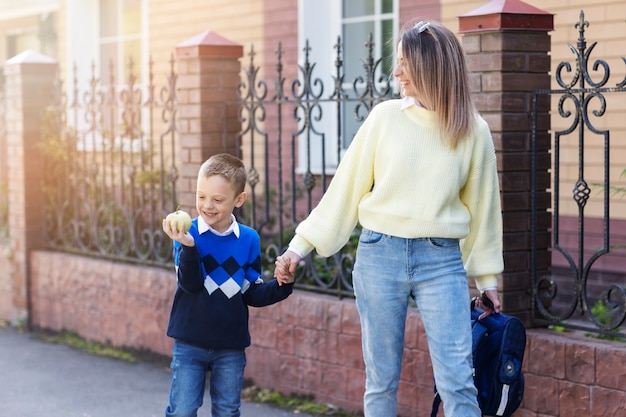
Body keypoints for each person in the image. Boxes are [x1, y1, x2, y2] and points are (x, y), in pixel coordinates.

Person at [274, 20, 503, 417]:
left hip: (441, 262)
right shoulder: (385, 118)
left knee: (458, 382)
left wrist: (486, 280)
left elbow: (484, 212)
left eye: (404, 64)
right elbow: (345, 188)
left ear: (432, 67)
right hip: (380, 255)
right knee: (380, 383)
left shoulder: (473, 131)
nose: (396, 73)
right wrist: (299, 247)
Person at [162, 153, 294, 417]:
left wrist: (282, 284)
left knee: (227, 411)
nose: (207, 205)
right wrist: (188, 246)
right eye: (201, 197)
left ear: (239, 199)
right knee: (182, 410)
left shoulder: (248, 239)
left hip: (230, 345)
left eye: (218, 199)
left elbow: (251, 292)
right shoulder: (186, 235)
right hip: (190, 342)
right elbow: (190, 285)